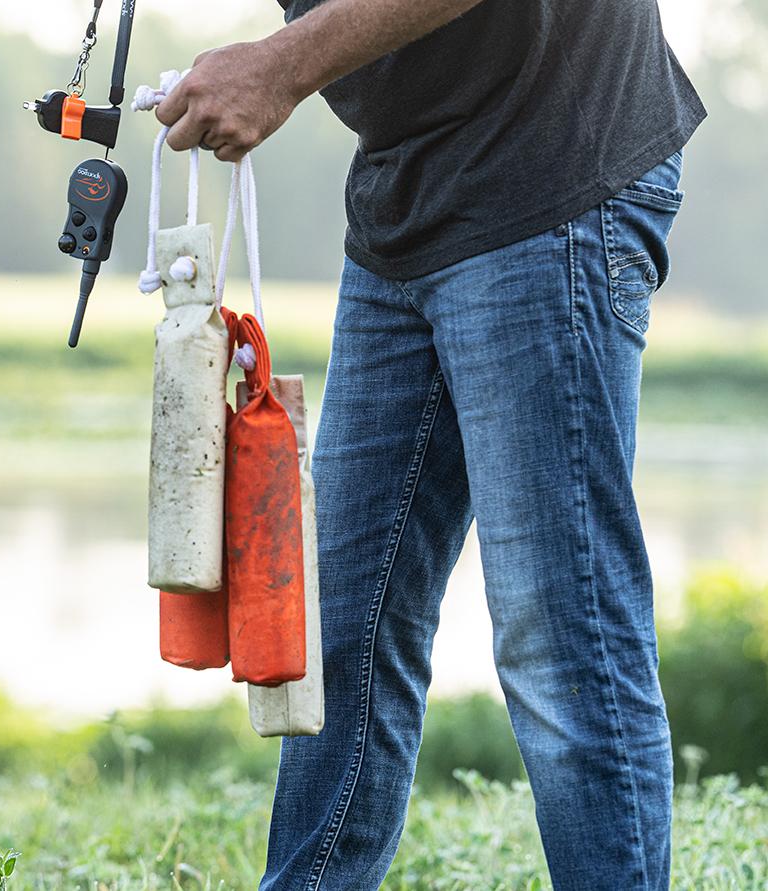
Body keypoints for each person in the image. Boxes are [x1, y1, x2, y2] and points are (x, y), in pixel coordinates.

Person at [154, 1, 705, 888]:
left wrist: (281, 65)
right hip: (406, 201)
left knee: (562, 633)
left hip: (549, 169)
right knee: (342, 624)